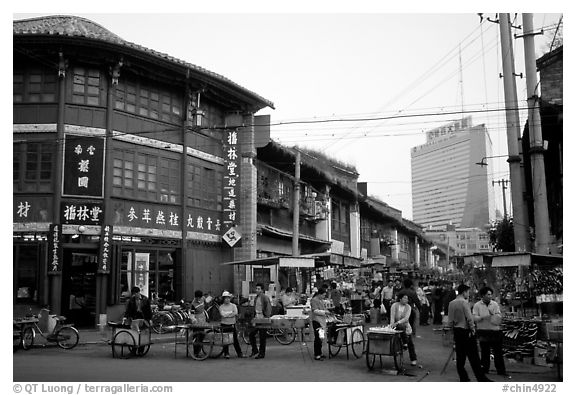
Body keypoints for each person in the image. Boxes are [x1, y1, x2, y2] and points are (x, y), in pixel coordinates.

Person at [447, 284, 492, 382]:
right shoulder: (464, 303)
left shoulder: (451, 303)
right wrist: (473, 330)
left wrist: (451, 331)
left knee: (460, 357)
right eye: (468, 292)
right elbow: (469, 318)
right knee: (474, 357)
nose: (469, 294)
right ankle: (481, 378)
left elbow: (450, 320)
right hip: (466, 331)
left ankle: (463, 378)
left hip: (457, 331)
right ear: (464, 292)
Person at [473, 286, 509, 378]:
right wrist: (482, 317)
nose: (490, 296)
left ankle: (501, 370)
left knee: (498, 352)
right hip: (483, 331)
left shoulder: (495, 304)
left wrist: (495, 315)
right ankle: (485, 368)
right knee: (485, 352)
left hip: (495, 331)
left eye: (491, 294)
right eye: (488, 294)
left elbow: (499, 315)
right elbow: (474, 318)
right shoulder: (477, 305)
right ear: (483, 295)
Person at [390, 294, 418, 366]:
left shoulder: (408, 307)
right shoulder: (394, 305)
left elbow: (406, 318)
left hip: (405, 326)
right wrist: (392, 325)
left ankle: (413, 358)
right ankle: (404, 343)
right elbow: (392, 316)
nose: (406, 300)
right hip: (395, 326)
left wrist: (397, 323)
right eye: (404, 298)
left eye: (407, 298)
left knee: (410, 343)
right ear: (400, 299)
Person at [219, 291, 245, 359]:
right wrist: (230, 314)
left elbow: (235, 313)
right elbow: (222, 315)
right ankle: (226, 353)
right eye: (226, 298)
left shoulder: (233, 306)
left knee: (235, 340)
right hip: (224, 324)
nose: (227, 299)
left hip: (232, 324)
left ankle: (239, 353)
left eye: (228, 298)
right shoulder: (221, 307)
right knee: (225, 340)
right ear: (223, 299)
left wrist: (228, 314)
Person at [249, 283, 272, 359]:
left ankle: (262, 353)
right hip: (257, 318)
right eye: (257, 289)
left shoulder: (265, 298)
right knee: (251, 334)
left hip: (263, 318)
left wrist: (267, 317)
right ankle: (255, 350)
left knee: (262, 336)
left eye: (259, 289)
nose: (257, 290)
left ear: (262, 290)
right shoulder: (256, 298)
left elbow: (268, 308)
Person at [310, 287, 329, 360]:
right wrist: (324, 312)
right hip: (317, 321)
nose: (324, 297)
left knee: (321, 337)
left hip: (321, 321)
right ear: (319, 294)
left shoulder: (321, 300)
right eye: (323, 295)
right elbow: (314, 311)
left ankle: (320, 353)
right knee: (318, 338)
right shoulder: (314, 300)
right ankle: (317, 354)